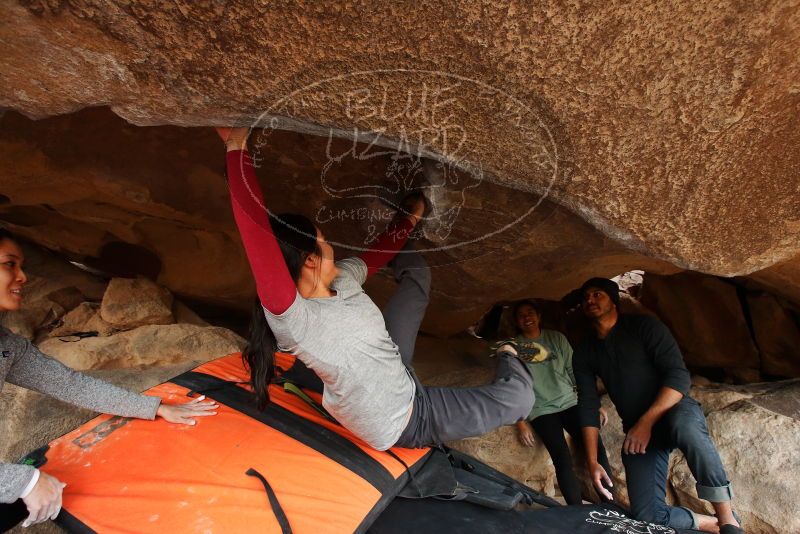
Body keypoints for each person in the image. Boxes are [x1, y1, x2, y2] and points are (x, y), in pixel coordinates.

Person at [218, 126, 534, 452]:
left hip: (395, 366)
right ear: (310, 260)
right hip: (407, 417)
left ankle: (410, 239)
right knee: (520, 398)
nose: (331, 245)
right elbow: (256, 232)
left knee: (418, 276)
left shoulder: (342, 278)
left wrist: (408, 221)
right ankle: (507, 351)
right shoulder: (297, 319)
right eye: (325, 241)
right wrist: (236, 148)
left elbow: (376, 255)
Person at [0, 228, 219, 532]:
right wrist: (25, 481)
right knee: (25, 492)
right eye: (9, 264)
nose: (22, 276)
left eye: (22, 265)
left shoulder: (7, 345)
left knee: (24, 499)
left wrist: (152, 407)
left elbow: (69, 384)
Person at [572, 277, 743, 534]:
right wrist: (593, 461)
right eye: (585, 297)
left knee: (685, 427)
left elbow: (679, 376)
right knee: (646, 515)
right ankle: (709, 523)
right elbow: (587, 403)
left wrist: (646, 422)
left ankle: (728, 520)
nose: (590, 300)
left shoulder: (644, 327)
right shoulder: (585, 350)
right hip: (638, 430)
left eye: (598, 294)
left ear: (614, 300)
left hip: (673, 409)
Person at [506, 300, 613, 505]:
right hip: (540, 409)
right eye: (521, 315)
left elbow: (575, 372)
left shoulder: (556, 338)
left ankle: (610, 505)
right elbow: (512, 387)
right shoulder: (514, 348)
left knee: (595, 447)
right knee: (561, 457)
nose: (527, 317)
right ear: (517, 322)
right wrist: (520, 421)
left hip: (570, 401)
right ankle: (575, 510)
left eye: (531, 312)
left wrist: (593, 404)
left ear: (539, 316)